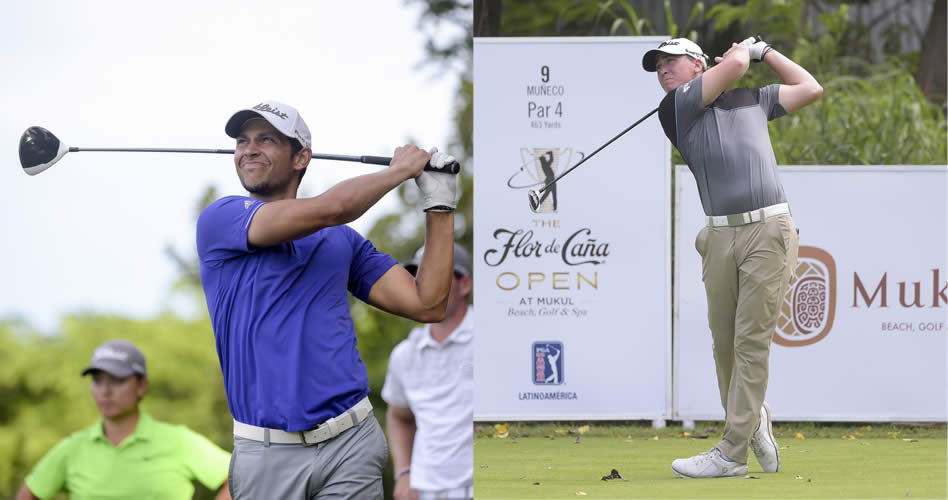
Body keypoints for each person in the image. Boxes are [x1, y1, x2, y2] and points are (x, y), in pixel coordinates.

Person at [196, 100, 459, 499]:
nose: (249, 149)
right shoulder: (223, 219)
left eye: (266, 140)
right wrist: (397, 172)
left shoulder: (343, 242)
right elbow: (333, 208)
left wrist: (439, 206)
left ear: (301, 157)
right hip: (266, 452)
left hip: (350, 442)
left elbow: (427, 304)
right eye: (242, 141)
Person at [642, 36, 822, 478]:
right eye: (659, 65)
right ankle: (752, 416)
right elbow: (736, 66)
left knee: (750, 340)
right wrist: (745, 50)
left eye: (672, 61)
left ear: (698, 63)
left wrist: (766, 52)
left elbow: (810, 87)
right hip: (720, 235)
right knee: (724, 345)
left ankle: (731, 452)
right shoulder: (677, 109)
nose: (664, 69)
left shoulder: (753, 101)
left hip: (769, 228)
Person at [16, 340, 232, 500]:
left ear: (142, 386)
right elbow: (28, 495)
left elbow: (239, 480)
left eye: (117, 380)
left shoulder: (179, 441)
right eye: (98, 381)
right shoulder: (72, 448)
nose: (105, 391)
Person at [382, 242, 474, 500]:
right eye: (418, 275)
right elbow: (399, 416)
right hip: (424, 492)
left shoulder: (494, 342)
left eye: (437, 274)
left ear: (464, 284)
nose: (425, 283)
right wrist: (404, 474)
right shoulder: (405, 354)